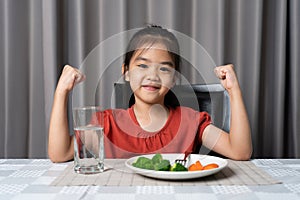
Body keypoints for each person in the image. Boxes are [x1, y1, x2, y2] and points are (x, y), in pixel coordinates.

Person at [48, 25, 252, 162]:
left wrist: (234, 91)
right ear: (126, 72)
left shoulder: (190, 121)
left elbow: (240, 151)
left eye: (164, 68)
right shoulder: (107, 124)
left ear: (174, 78)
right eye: (143, 66)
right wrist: (61, 93)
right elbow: (60, 153)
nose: (153, 75)